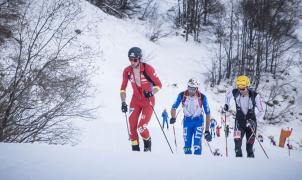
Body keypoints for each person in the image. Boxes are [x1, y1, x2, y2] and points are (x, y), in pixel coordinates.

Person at [120, 47, 162, 152]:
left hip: (148, 101)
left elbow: (159, 85)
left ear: (140, 59)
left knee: (141, 128)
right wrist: (123, 102)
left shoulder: (148, 69)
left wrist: (151, 92)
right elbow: (123, 88)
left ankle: (147, 146)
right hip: (135, 101)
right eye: (130, 59)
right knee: (132, 128)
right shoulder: (127, 71)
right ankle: (135, 151)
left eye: (135, 59)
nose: (132, 62)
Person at [223, 75, 265, 158]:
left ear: (247, 86)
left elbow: (262, 110)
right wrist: (226, 105)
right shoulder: (235, 92)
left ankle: (250, 165)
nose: (241, 90)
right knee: (237, 146)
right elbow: (227, 96)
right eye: (239, 88)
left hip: (251, 124)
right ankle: (239, 165)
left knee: (249, 148)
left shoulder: (255, 96)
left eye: (243, 89)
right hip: (239, 122)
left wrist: (255, 120)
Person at [170, 78, 212, 155]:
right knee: (187, 146)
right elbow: (173, 107)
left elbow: (208, 113)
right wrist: (173, 117)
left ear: (196, 88)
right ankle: (188, 164)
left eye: (193, 89)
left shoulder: (202, 97)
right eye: (189, 88)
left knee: (197, 145)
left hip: (198, 121)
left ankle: (197, 163)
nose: (191, 91)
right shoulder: (182, 95)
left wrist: (207, 130)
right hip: (187, 122)